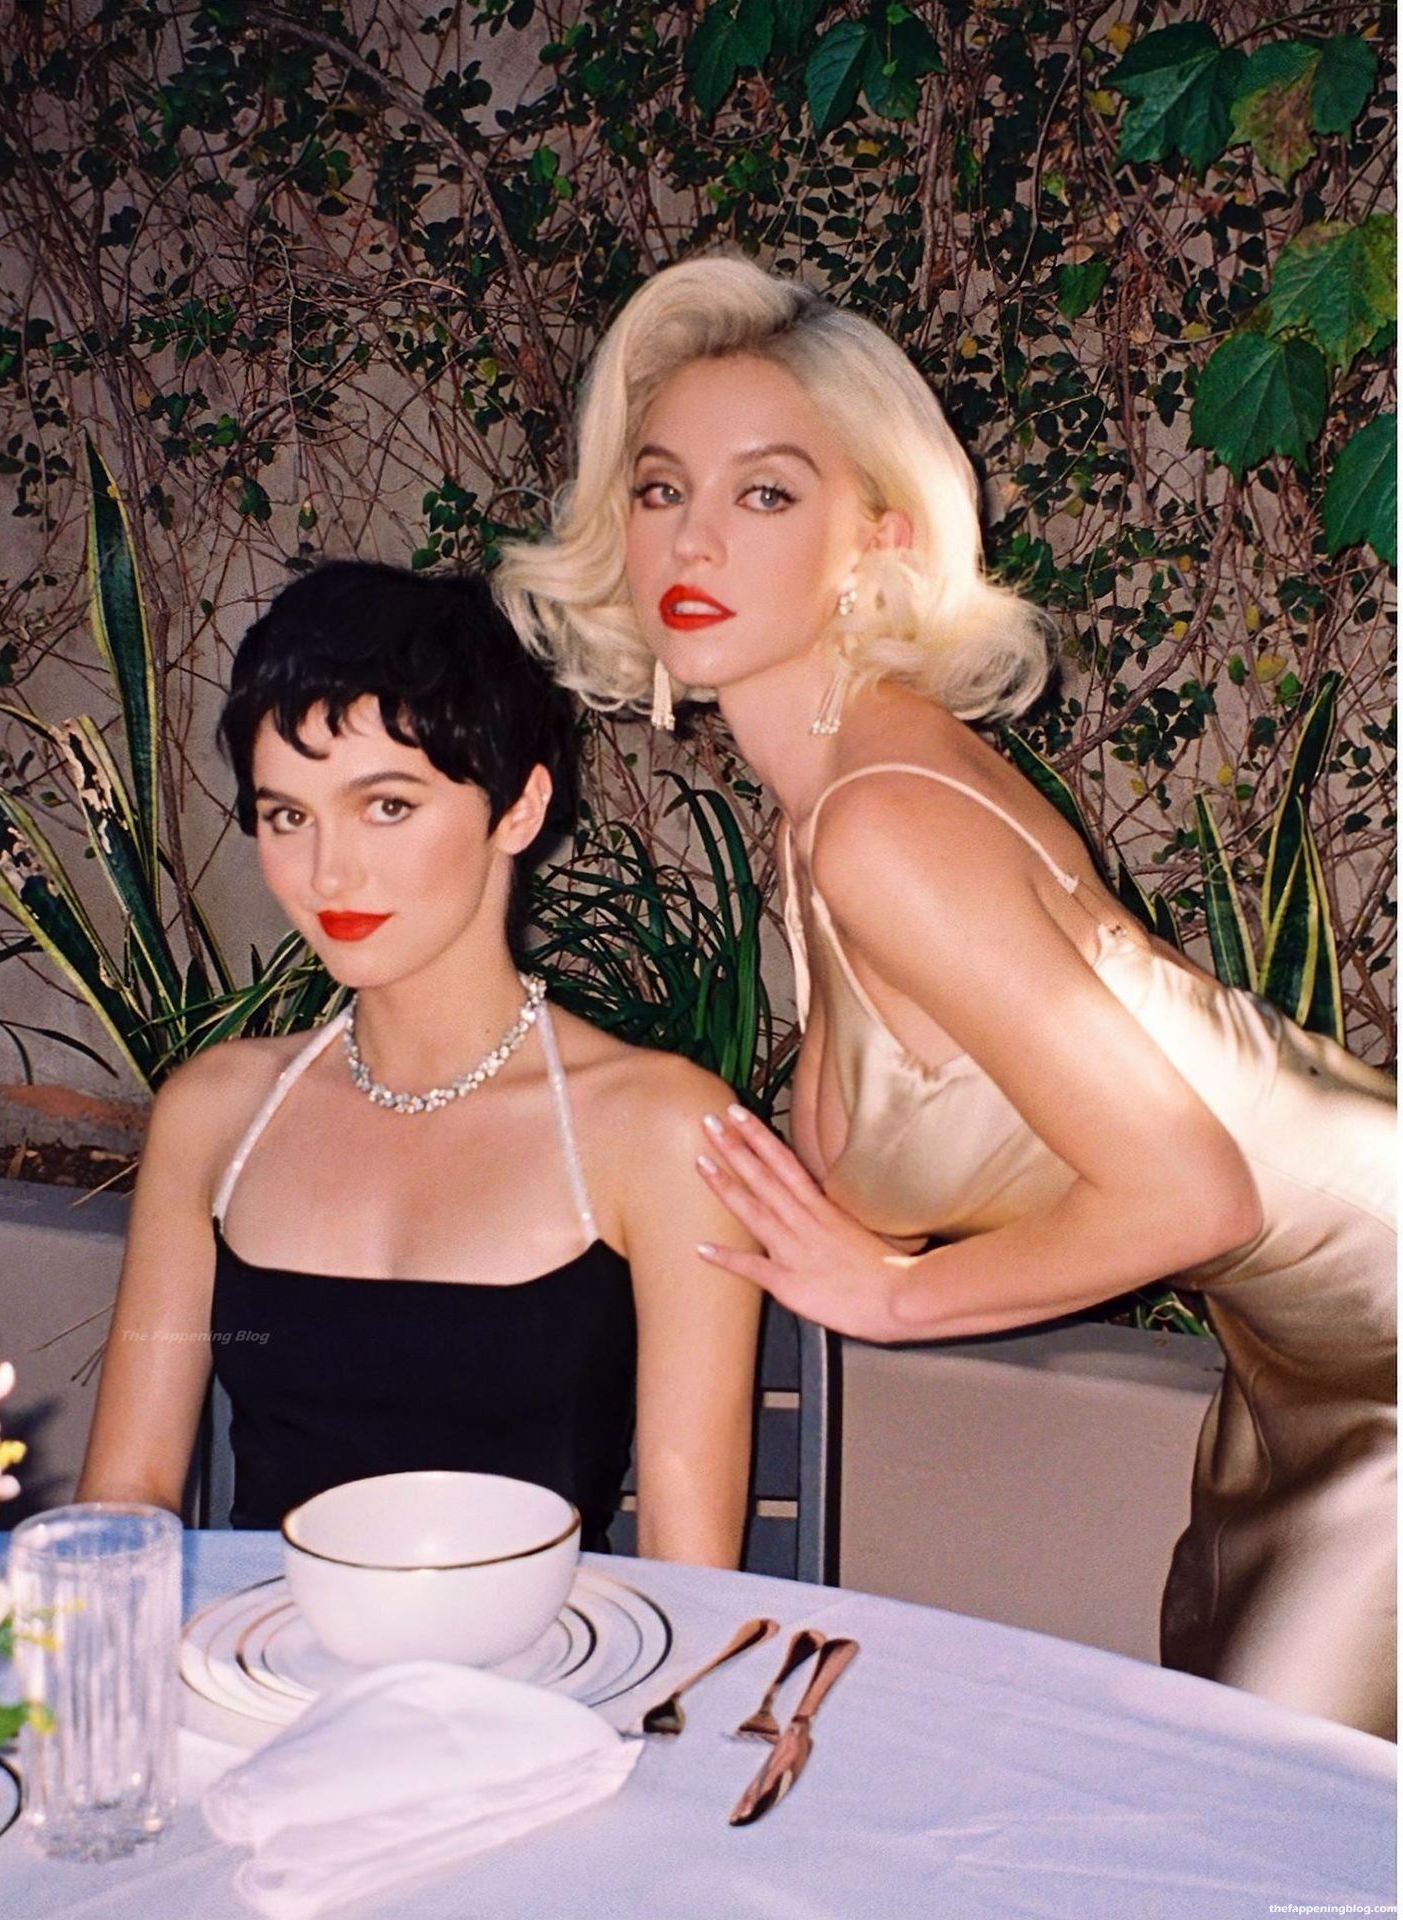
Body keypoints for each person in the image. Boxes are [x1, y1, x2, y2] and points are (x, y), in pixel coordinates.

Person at [494, 255, 1397, 1734]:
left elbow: (1194, 1195)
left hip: (1386, 1338)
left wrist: (896, 1298)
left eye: (766, 492)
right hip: (1303, 1358)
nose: (693, 538)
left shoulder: (882, 822)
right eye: (660, 489)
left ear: (880, 538)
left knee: (1274, 1805)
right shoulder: (830, 802)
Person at [77, 560, 762, 1567]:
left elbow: (685, 1565)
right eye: (288, 816)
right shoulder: (214, 1115)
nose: (329, 872)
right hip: (256, 1656)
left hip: (543, 1661)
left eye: (386, 806)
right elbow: (125, 1496)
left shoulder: (657, 1129)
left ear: (518, 808)